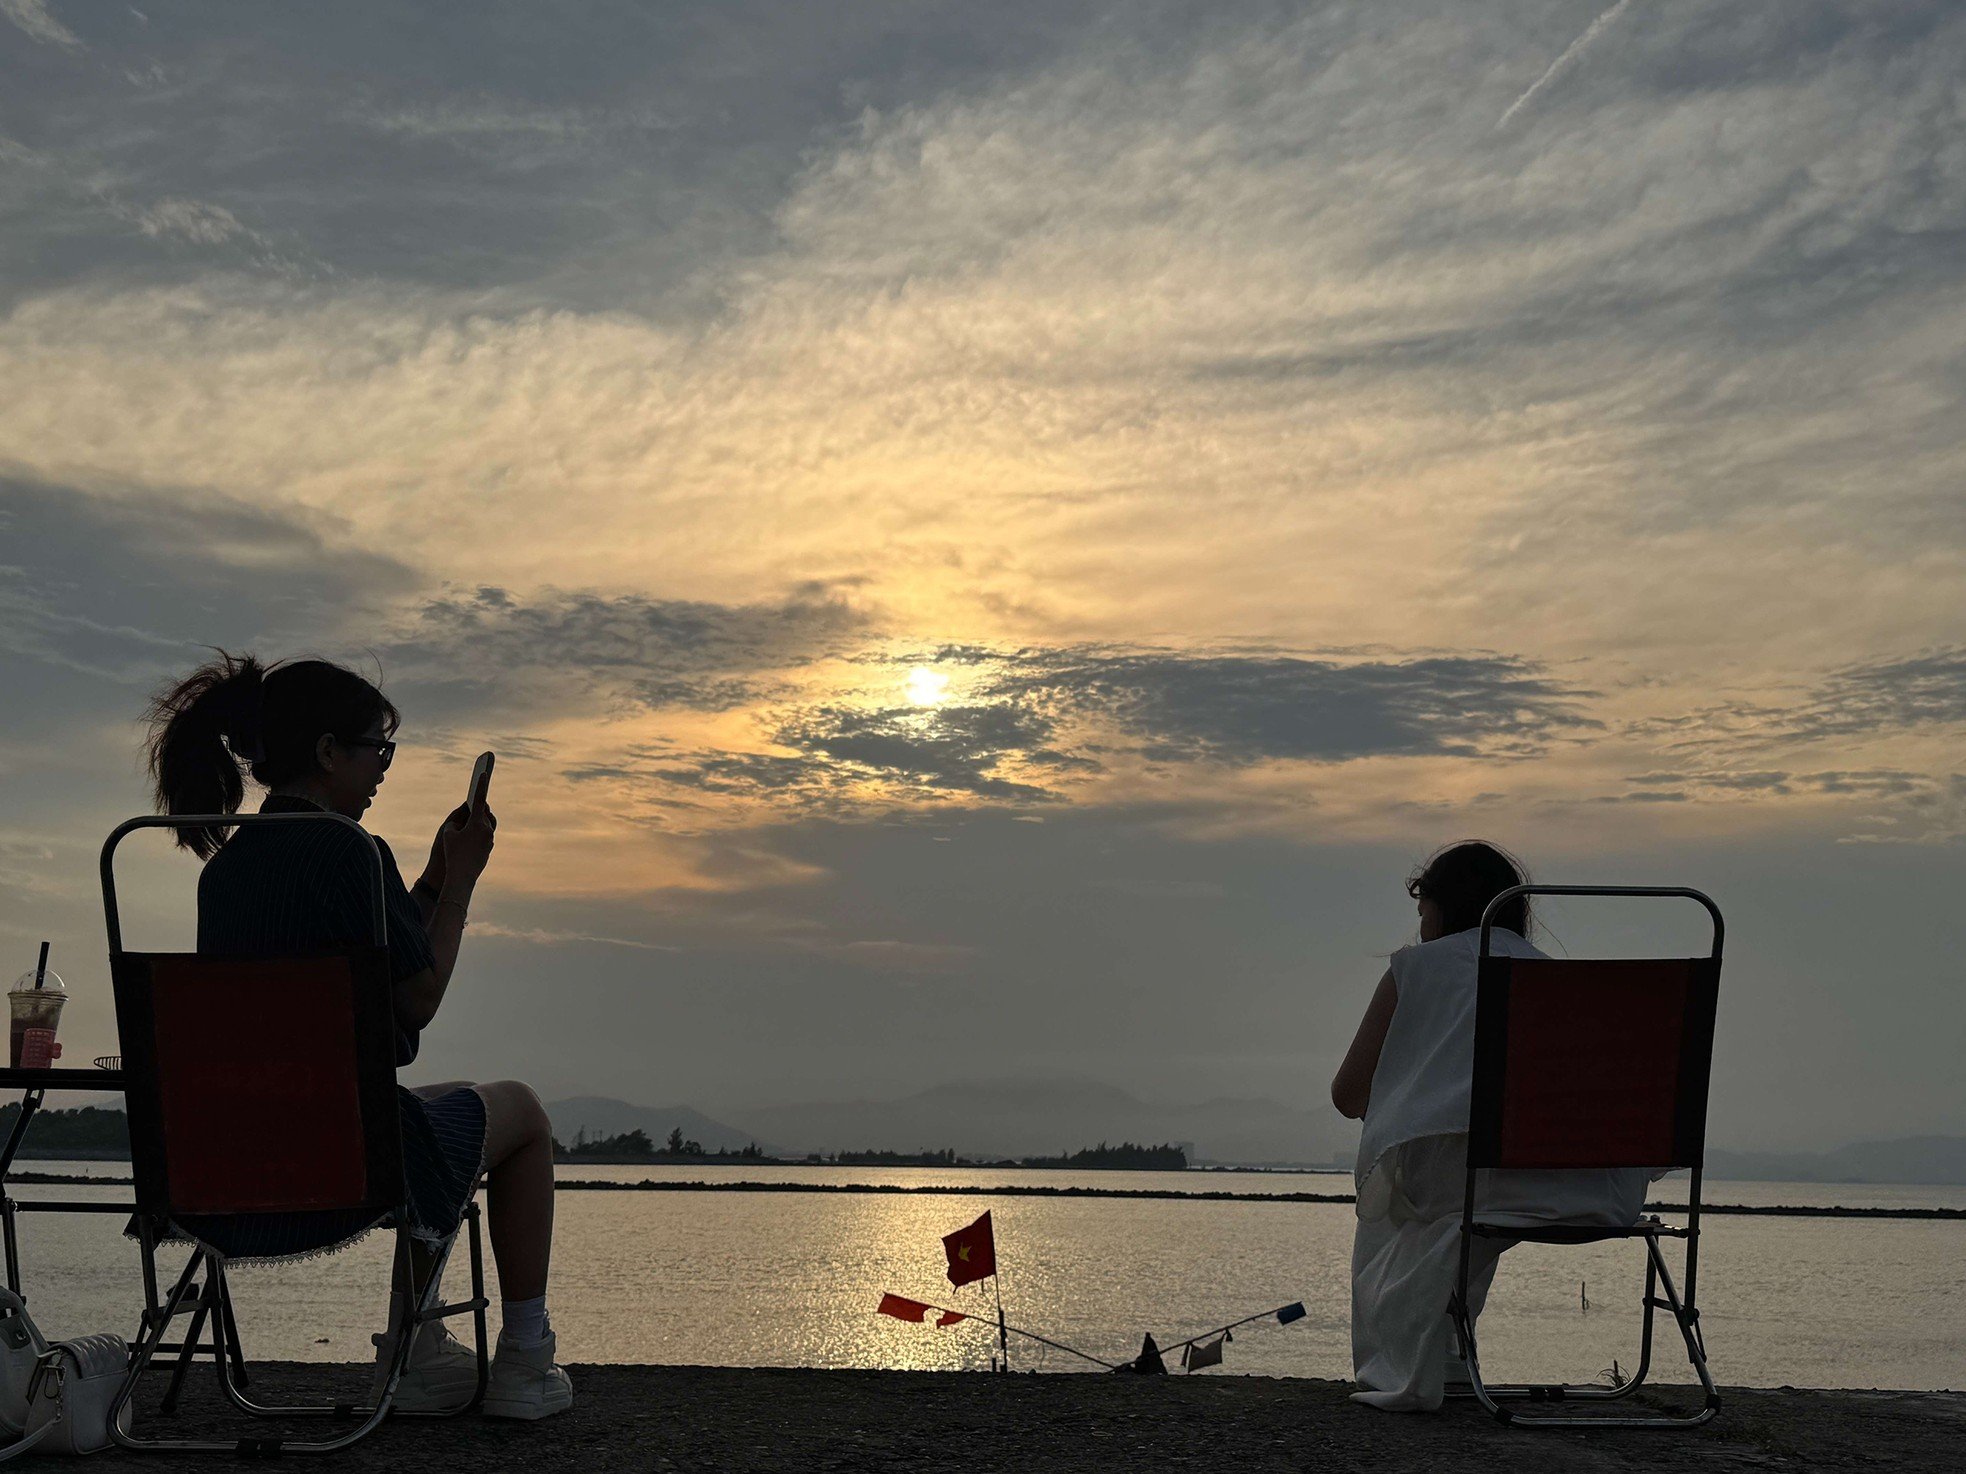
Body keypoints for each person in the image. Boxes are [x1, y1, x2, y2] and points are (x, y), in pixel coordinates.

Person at [144, 651, 571, 1420]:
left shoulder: (226, 874)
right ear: (329, 752)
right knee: (526, 1115)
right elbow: (416, 1001)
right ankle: (522, 1362)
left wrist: (437, 876)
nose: (384, 768)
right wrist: (466, 881)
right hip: (348, 1161)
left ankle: (425, 1356)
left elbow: (379, 957)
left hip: (231, 1167)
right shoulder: (353, 853)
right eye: (378, 748)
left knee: (431, 1107)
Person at [1329, 841, 1653, 1412]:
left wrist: (1404, 1105)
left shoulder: (1415, 970)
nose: (1421, 924)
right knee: (1475, 1197)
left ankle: (1423, 1360)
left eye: (1423, 909)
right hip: (1586, 1188)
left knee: (1403, 1198)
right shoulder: (1560, 984)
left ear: (1444, 907)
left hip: (1469, 1185)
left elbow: (1348, 1094)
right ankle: (1451, 1350)